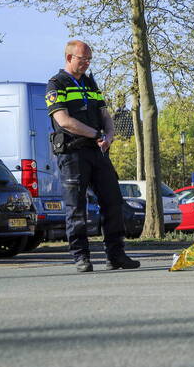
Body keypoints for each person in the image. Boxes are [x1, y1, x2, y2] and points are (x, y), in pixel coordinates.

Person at [46, 40, 138, 273]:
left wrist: (109, 133)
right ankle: (81, 257)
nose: (87, 63)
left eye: (89, 59)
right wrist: (95, 133)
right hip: (73, 153)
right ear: (69, 58)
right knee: (76, 207)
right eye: (82, 59)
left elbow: (104, 113)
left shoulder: (89, 82)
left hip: (98, 152)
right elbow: (64, 121)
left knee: (113, 201)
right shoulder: (56, 84)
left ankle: (116, 255)